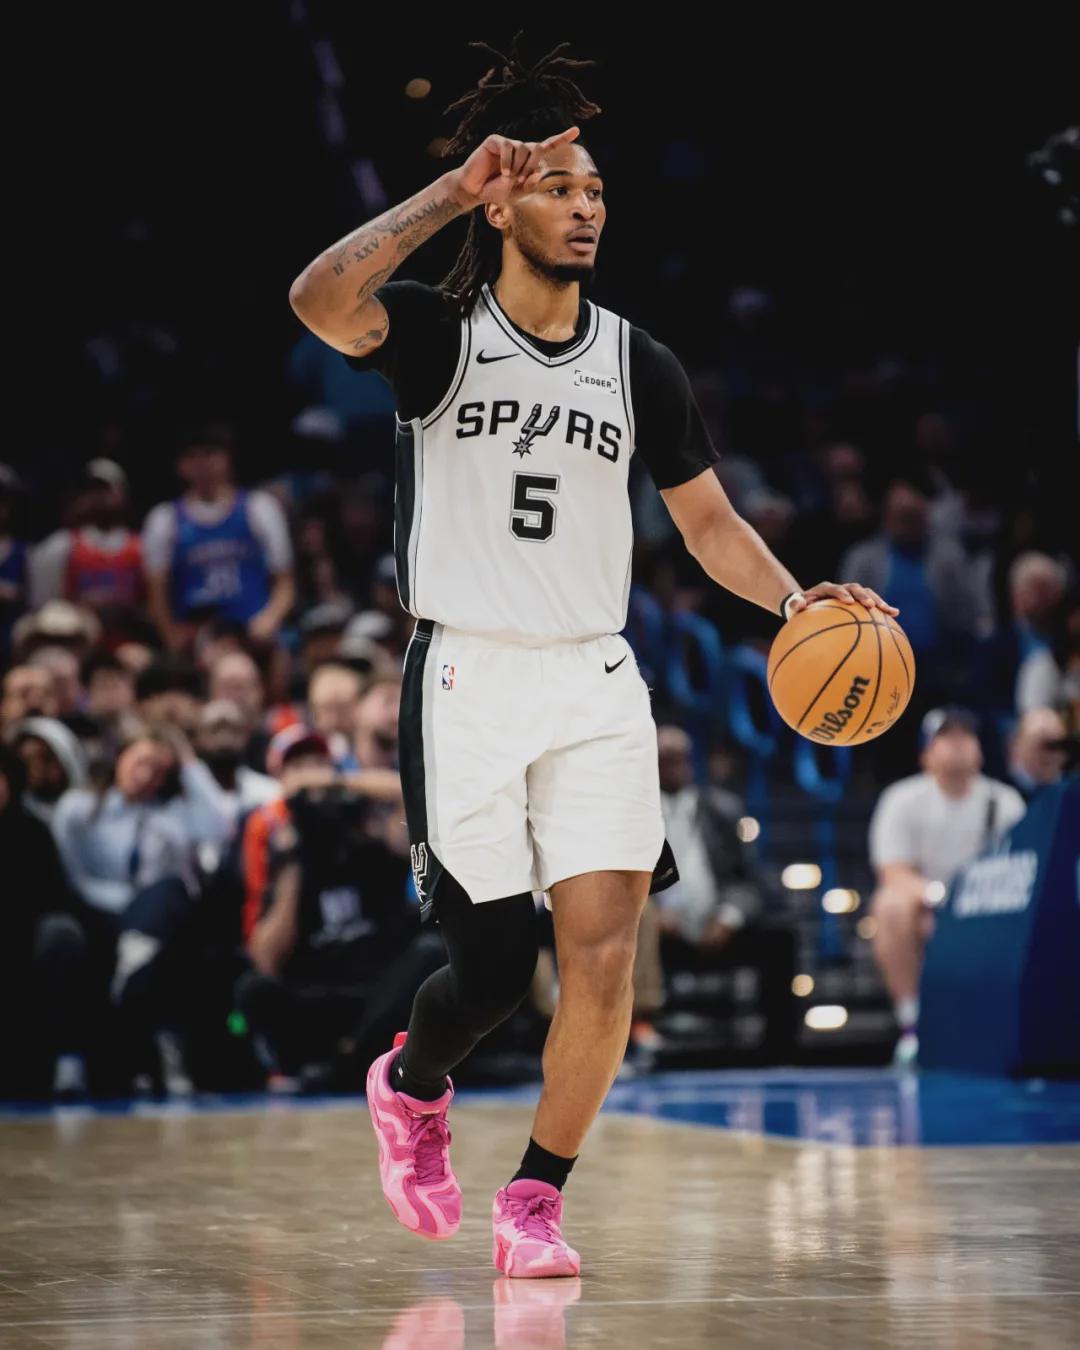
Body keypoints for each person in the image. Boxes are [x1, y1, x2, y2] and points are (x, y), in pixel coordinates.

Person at [288, 34, 896, 1278]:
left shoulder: (637, 361)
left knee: (605, 955)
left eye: (598, 191)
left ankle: (536, 1199)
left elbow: (710, 527)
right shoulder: (438, 336)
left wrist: (796, 605)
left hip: (595, 677)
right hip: (466, 673)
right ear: (505, 204)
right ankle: (412, 1086)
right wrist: (448, 188)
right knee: (491, 974)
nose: (586, 207)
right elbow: (317, 300)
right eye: (561, 187)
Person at [868, 707, 1026, 1064]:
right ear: (925, 755)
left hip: (991, 910)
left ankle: (1011, 1023)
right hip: (931, 909)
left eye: (966, 736)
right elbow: (894, 872)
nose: (958, 744)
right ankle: (912, 1024)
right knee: (890, 905)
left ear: (980, 752)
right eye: (946, 736)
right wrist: (941, 899)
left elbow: (1018, 869)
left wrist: (971, 907)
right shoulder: (901, 799)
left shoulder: (1005, 802)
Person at [652, 725, 796, 1061]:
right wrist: (652, 912)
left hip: (716, 926)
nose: (672, 766)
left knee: (780, 938)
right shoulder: (632, 812)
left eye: (678, 758)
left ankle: (779, 1053)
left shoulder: (723, 809)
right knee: (622, 940)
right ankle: (637, 1042)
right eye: (663, 759)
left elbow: (749, 880)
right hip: (658, 930)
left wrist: (727, 918)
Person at [141, 424, 296, 654]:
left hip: (252, 631)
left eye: (210, 454)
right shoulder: (164, 519)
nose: (202, 464)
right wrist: (172, 637)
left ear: (227, 459)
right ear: (180, 466)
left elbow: (286, 584)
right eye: (192, 456)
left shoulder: (260, 508)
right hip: (195, 637)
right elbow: (156, 594)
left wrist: (269, 620)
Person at [1007, 707, 1069, 801]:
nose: (1048, 755)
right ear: (1016, 747)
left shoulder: (1073, 789)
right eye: (1040, 744)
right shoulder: (998, 795)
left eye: (1056, 745)